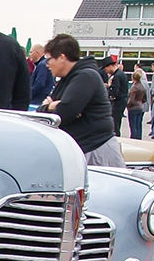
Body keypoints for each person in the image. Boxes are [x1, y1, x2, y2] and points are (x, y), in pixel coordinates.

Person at [40, 34, 123, 167]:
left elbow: (64, 113)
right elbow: (45, 113)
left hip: (96, 151)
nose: (47, 64)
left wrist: (55, 106)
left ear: (62, 57)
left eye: (48, 59)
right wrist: (49, 107)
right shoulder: (66, 80)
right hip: (80, 149)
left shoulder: (85, 76)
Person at [102, 56, 129, 136]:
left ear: (110, 66)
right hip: (122, 101)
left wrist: (109, 89)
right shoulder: (121, 74)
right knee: (117, 122)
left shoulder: (116, 76)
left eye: (105, 68)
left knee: (115, 124)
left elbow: (114, 92)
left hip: (117, 103)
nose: (106, 71)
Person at [126, 69, 147, 140]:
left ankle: (133, 138)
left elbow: (131, 99)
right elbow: (145, 99)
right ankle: (139, 138)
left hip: (133, 108)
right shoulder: (142, 87)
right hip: (140, 107)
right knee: (138, 124)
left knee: (133, 125)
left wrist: (128, 105)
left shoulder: (134, 88)